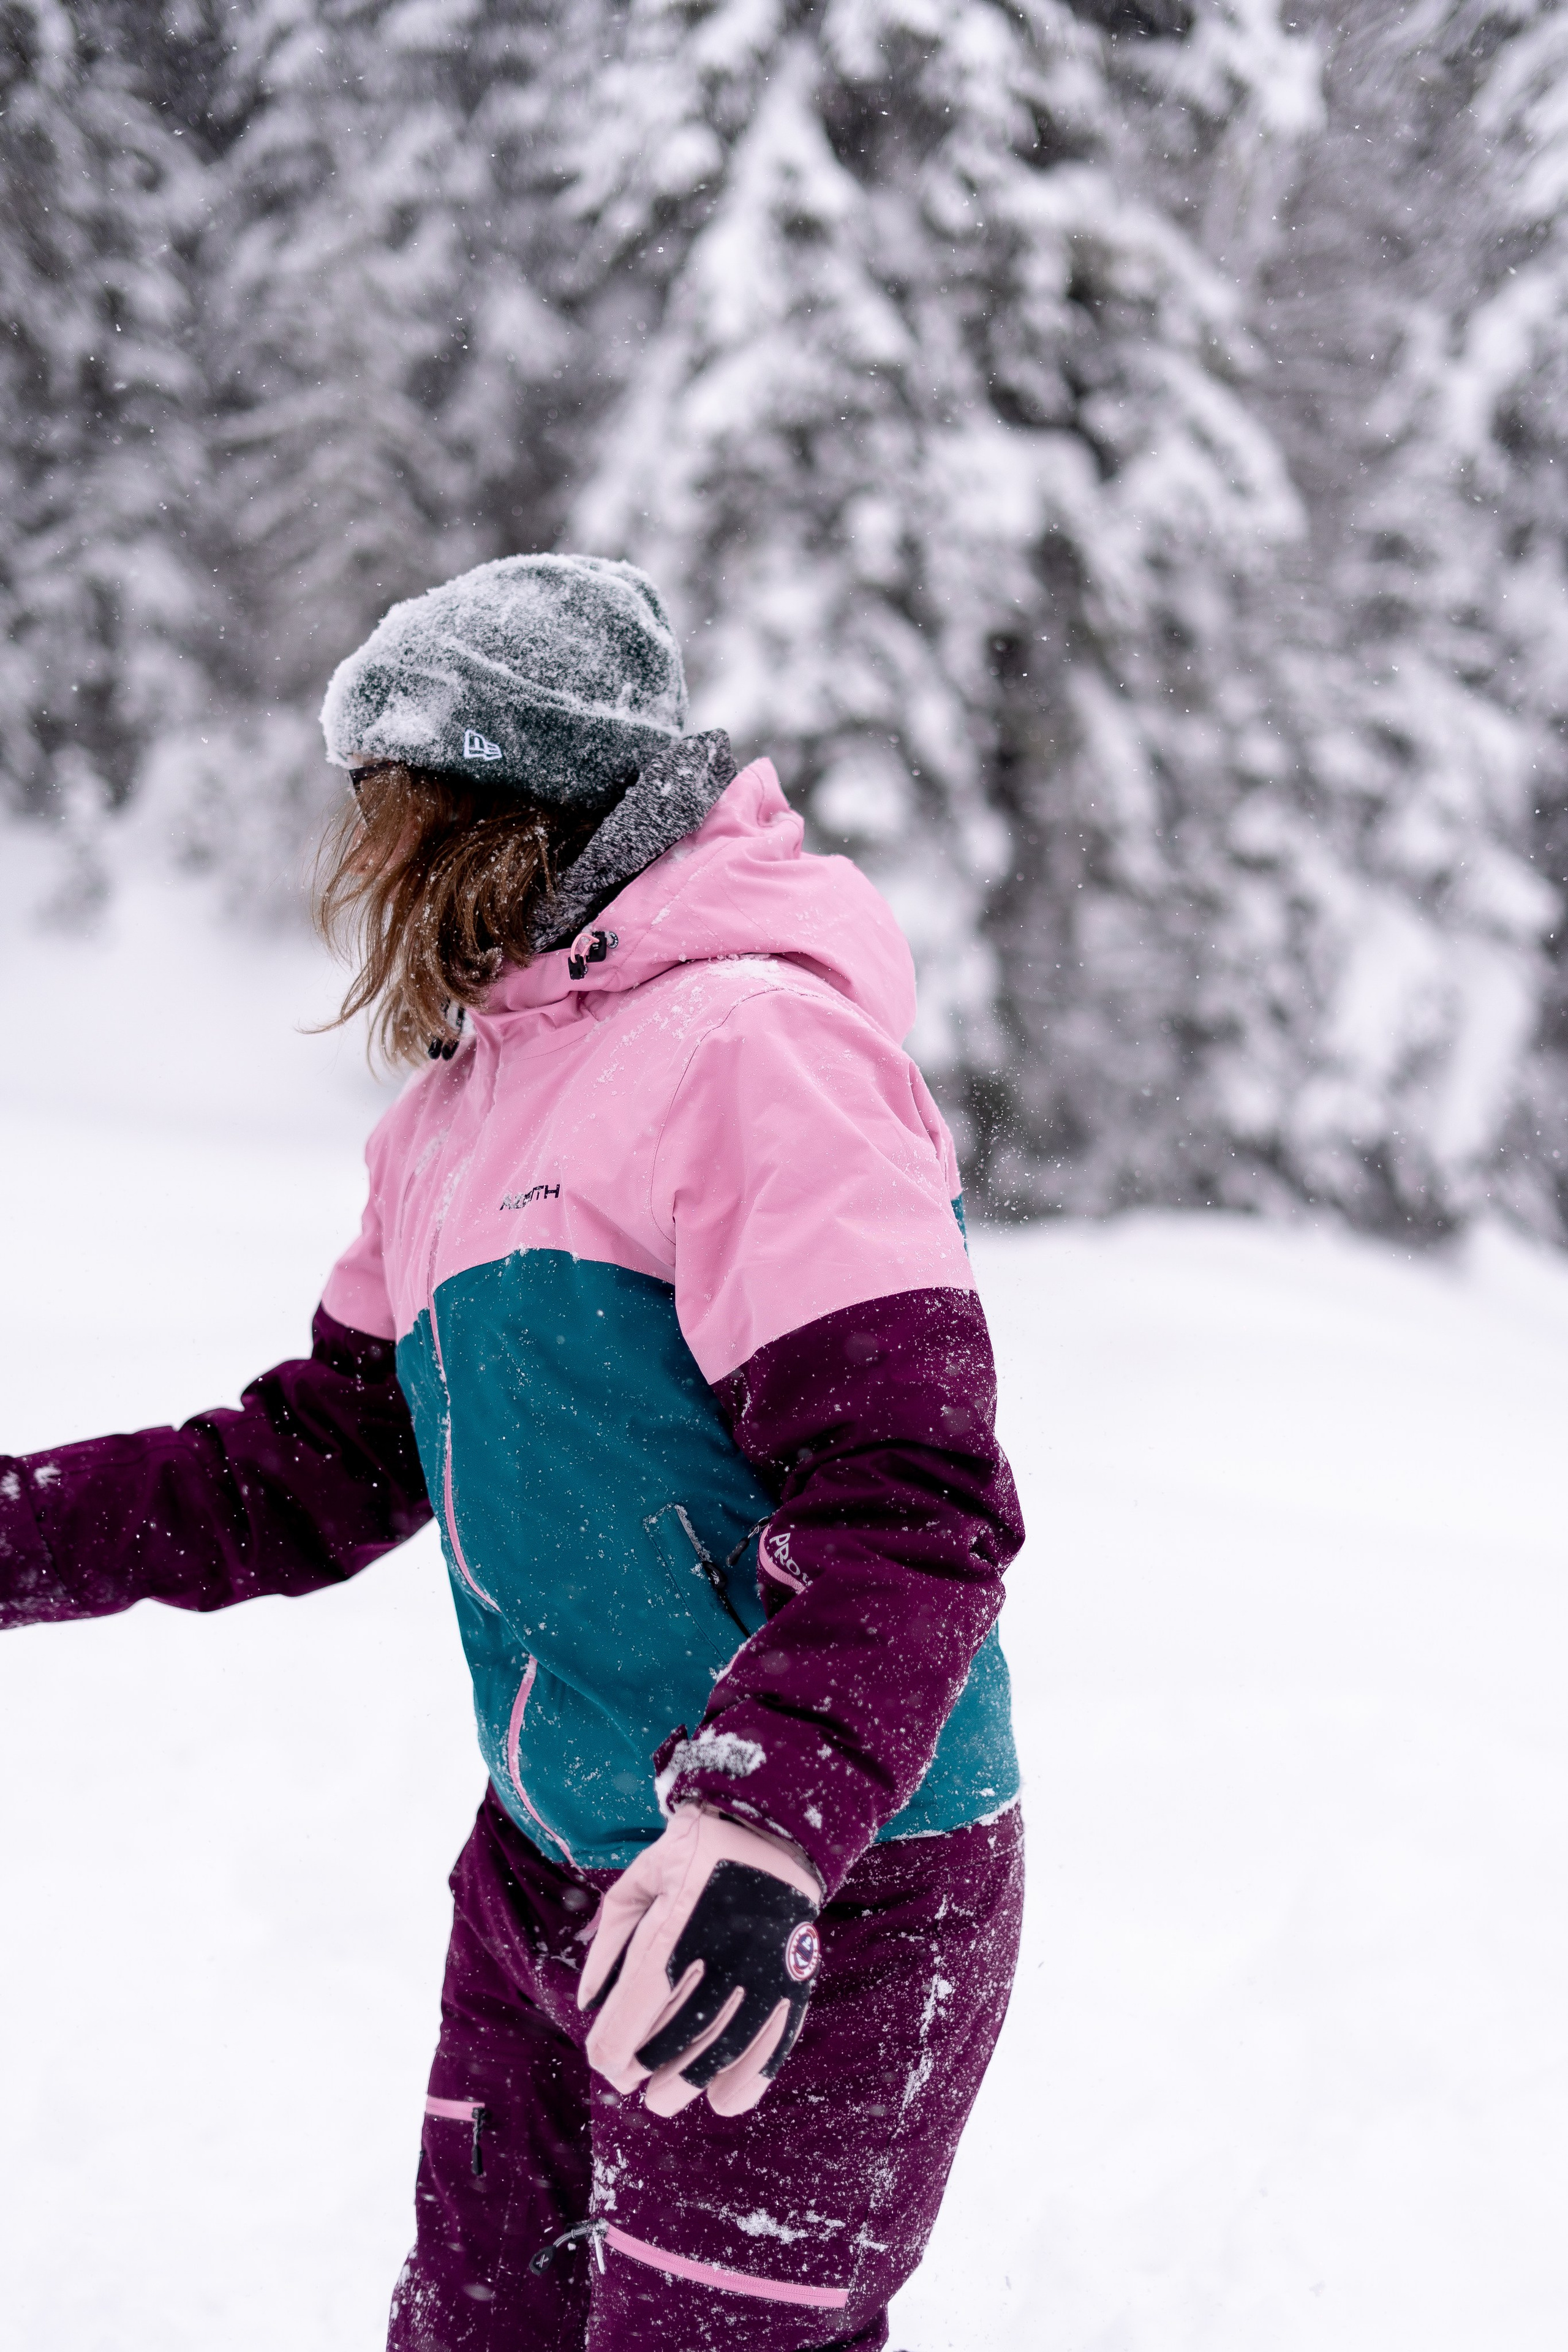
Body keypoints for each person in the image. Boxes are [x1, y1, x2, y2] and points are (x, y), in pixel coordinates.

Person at [0, 554, 1025, 2351]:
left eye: (388, 815)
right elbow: (306, 1469)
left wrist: (765, 1829)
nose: (360, 869)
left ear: (493, 811)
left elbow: (914, 1501)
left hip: (819, 1883)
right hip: (554, 1861)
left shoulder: (758, 1050)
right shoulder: (452, 1124)